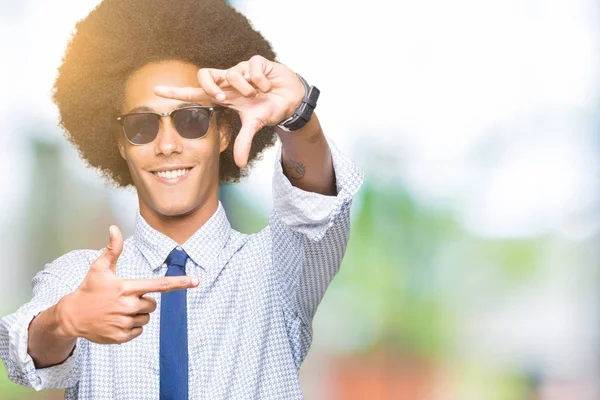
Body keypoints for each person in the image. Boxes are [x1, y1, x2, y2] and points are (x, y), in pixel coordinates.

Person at [0, 0, 363, 398]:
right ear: (121, 145)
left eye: (191, 120)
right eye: (142, 126)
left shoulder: (276, 268)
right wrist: (66, 319)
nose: (167, 144)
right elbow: (21, 355)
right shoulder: (82, 278)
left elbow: (314, 210)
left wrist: (298, 118)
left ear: (223, 133)